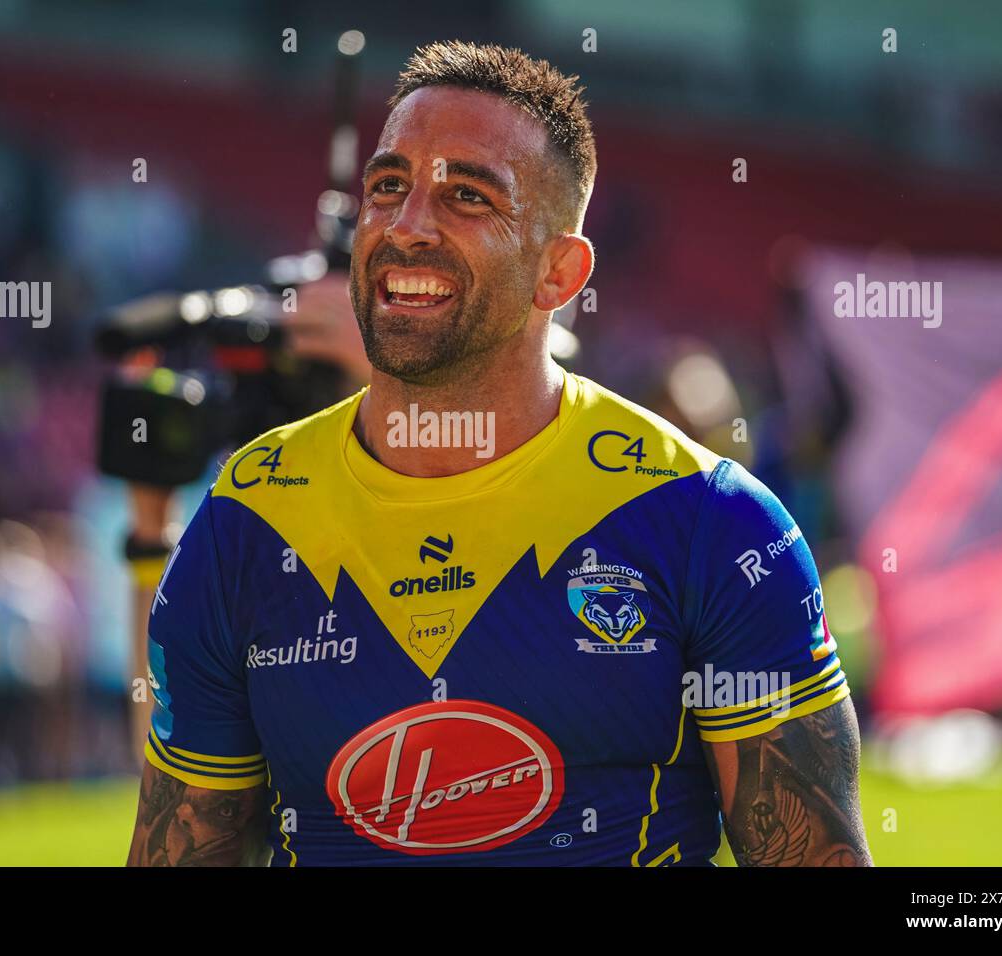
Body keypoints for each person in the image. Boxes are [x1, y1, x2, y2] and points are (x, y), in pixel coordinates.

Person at [126, 41, 871, 866]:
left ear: (560, 272)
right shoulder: (246, 519)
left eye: (467, 197)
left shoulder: (713, 525)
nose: (407, 226)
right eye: (387, 187)